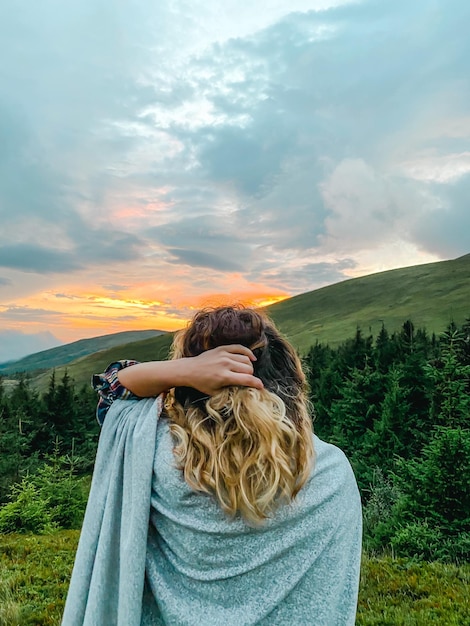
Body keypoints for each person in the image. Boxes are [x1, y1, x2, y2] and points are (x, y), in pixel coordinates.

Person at [62, 307, 362, 626]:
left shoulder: (149, 447)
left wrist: (183, 370)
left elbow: (112, 389)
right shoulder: (329, 471)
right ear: (287, 377)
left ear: (188, 384)